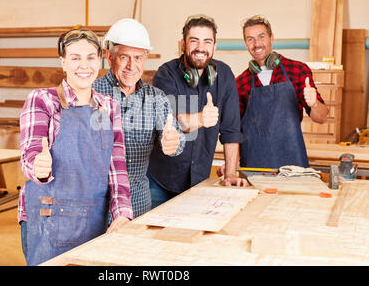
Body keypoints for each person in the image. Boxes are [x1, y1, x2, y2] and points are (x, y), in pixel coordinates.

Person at [18, 28, 133, 266]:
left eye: (90, 57)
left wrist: (122, 213)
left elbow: (117, 167)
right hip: (49, 221)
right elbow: (29, 154)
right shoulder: (43, 100)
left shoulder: (109, 107)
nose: (84, 65)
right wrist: (39, 167)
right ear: (63, 62)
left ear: (100, 60)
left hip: (94, 220)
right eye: (75, 58)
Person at [147, 14, 246, 209]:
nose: (201, 47)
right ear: (183, 44)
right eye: (194, 41)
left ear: (215, 47)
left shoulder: (225, 77)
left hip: (198, 181)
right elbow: (175, 124)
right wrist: (201, 118)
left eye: (207, 41)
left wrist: (231, 175)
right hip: (160, 182)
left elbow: (231, 132)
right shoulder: (165, 74)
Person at [93, 18, 184, 217]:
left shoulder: (156, 98)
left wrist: (174, 142)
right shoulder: (91, 93)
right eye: (124, 57)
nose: (131, 66)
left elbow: (176, 137)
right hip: (96, 207)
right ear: (109, 56)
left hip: (138, 204)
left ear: (145, 58)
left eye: (138, 58)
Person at [235, 15, 328, 169]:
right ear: (245, 43)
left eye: (261, 36)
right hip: (254, 166)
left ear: (272, 38)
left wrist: (314, 103)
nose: (256, 44)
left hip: (292, 165)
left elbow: (322, 118)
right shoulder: (241, 82)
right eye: (250, 39)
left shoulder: (298, 70)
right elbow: (235, 131)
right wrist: (231, 165)